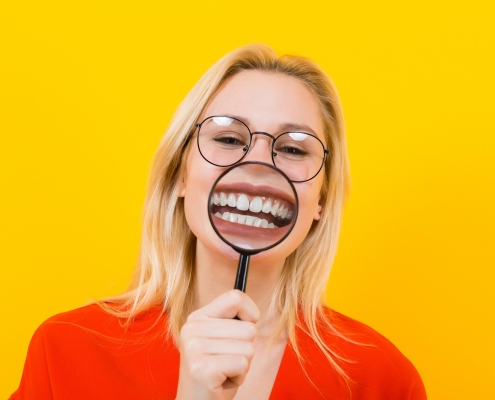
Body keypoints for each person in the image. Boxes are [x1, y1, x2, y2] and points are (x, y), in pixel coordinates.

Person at [11, 44, 427, 399]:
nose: (259, 162)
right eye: (229, 139)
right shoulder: (66, 352)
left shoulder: (379, 378)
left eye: (294, 149)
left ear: (320, 199)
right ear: (180, 175)